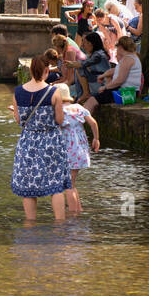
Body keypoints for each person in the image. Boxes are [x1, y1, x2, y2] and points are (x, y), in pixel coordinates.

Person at [10, 53, 70, 221]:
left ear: (30, 70)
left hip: (27, 143)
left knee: (28, 187)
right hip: (50, 141)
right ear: (46, 70)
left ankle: (30, 226)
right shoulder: (54, 92)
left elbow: (18, 120)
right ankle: (59, 225)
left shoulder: (18, 92)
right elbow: (59, 120)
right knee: (56, 186)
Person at [55, 83, 99, 214]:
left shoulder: (59, 111)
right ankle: (78, 209)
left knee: (68, 184)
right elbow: (93, 123)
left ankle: (73, 215)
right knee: (71, 183)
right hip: (80, 150)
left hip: (67, 151)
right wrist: (96, 139)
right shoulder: (79, 108)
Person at [91, 36, 143, 108]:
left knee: (92, 100)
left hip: (125, 93)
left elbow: (120, 80)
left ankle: (81, 118)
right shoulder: (130, 57)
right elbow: (114, 70)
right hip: (127, 92)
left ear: (120, 47)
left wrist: (105, 87)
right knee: (96, 98)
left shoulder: (128, 59)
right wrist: (103, 76)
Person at [75, 32, 112, 106]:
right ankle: (81, 94)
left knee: (79, 68)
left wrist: (74, 64)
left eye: (85, 43)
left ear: (91, 44)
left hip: (101, 84)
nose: (82, 45)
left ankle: (85, 93)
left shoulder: (98, 54)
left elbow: (84, 64)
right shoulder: (95, 54)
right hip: (97, 82)